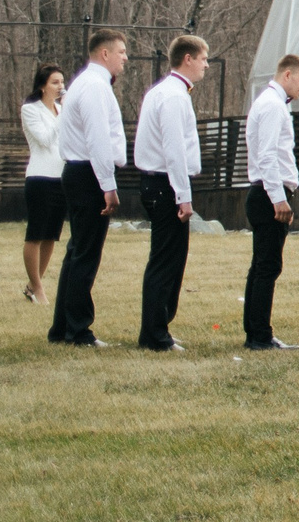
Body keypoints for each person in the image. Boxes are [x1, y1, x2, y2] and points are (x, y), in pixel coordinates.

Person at [49, 29, 128, 348]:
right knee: (86, 254)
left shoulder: (84, 83)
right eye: (121, 52)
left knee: (76, 252)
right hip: (89, 174)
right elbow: (97, 139)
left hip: (80, 171)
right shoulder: (95, 86)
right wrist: (108, 186)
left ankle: (63, 327)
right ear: (104, 54)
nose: (125, 58)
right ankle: (78, 330)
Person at [133, 35, 209, 352]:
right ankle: (154, 334)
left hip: (157, 183)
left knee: (167, 258)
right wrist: (183, 195)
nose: (206, 65)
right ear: (187, 58)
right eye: (204, 58)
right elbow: (174, 149)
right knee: (166, 261)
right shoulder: (174, 97)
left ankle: (159, 326)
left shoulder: (161, 92)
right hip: (165, 184)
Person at [242, 54, 299, 350]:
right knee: (268, 266)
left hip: (265, 191)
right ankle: (260, 334)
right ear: (287, 75)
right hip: (268, 192)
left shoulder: (271, 103)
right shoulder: (272, 105)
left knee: (262, 265)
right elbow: (268, 155)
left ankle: (256, 331)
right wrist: (278, 199)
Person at [20, 64, 65, 304]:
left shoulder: (60, 108)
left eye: (62, 82)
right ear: (42, 86)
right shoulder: (30, 109)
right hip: (39, 177)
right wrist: (63, 116)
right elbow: (46, 140)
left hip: (61, 177)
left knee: (51, 235)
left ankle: (31, 285)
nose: (60, 87)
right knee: (36, 234)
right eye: (55, 83)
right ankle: (38, 289)